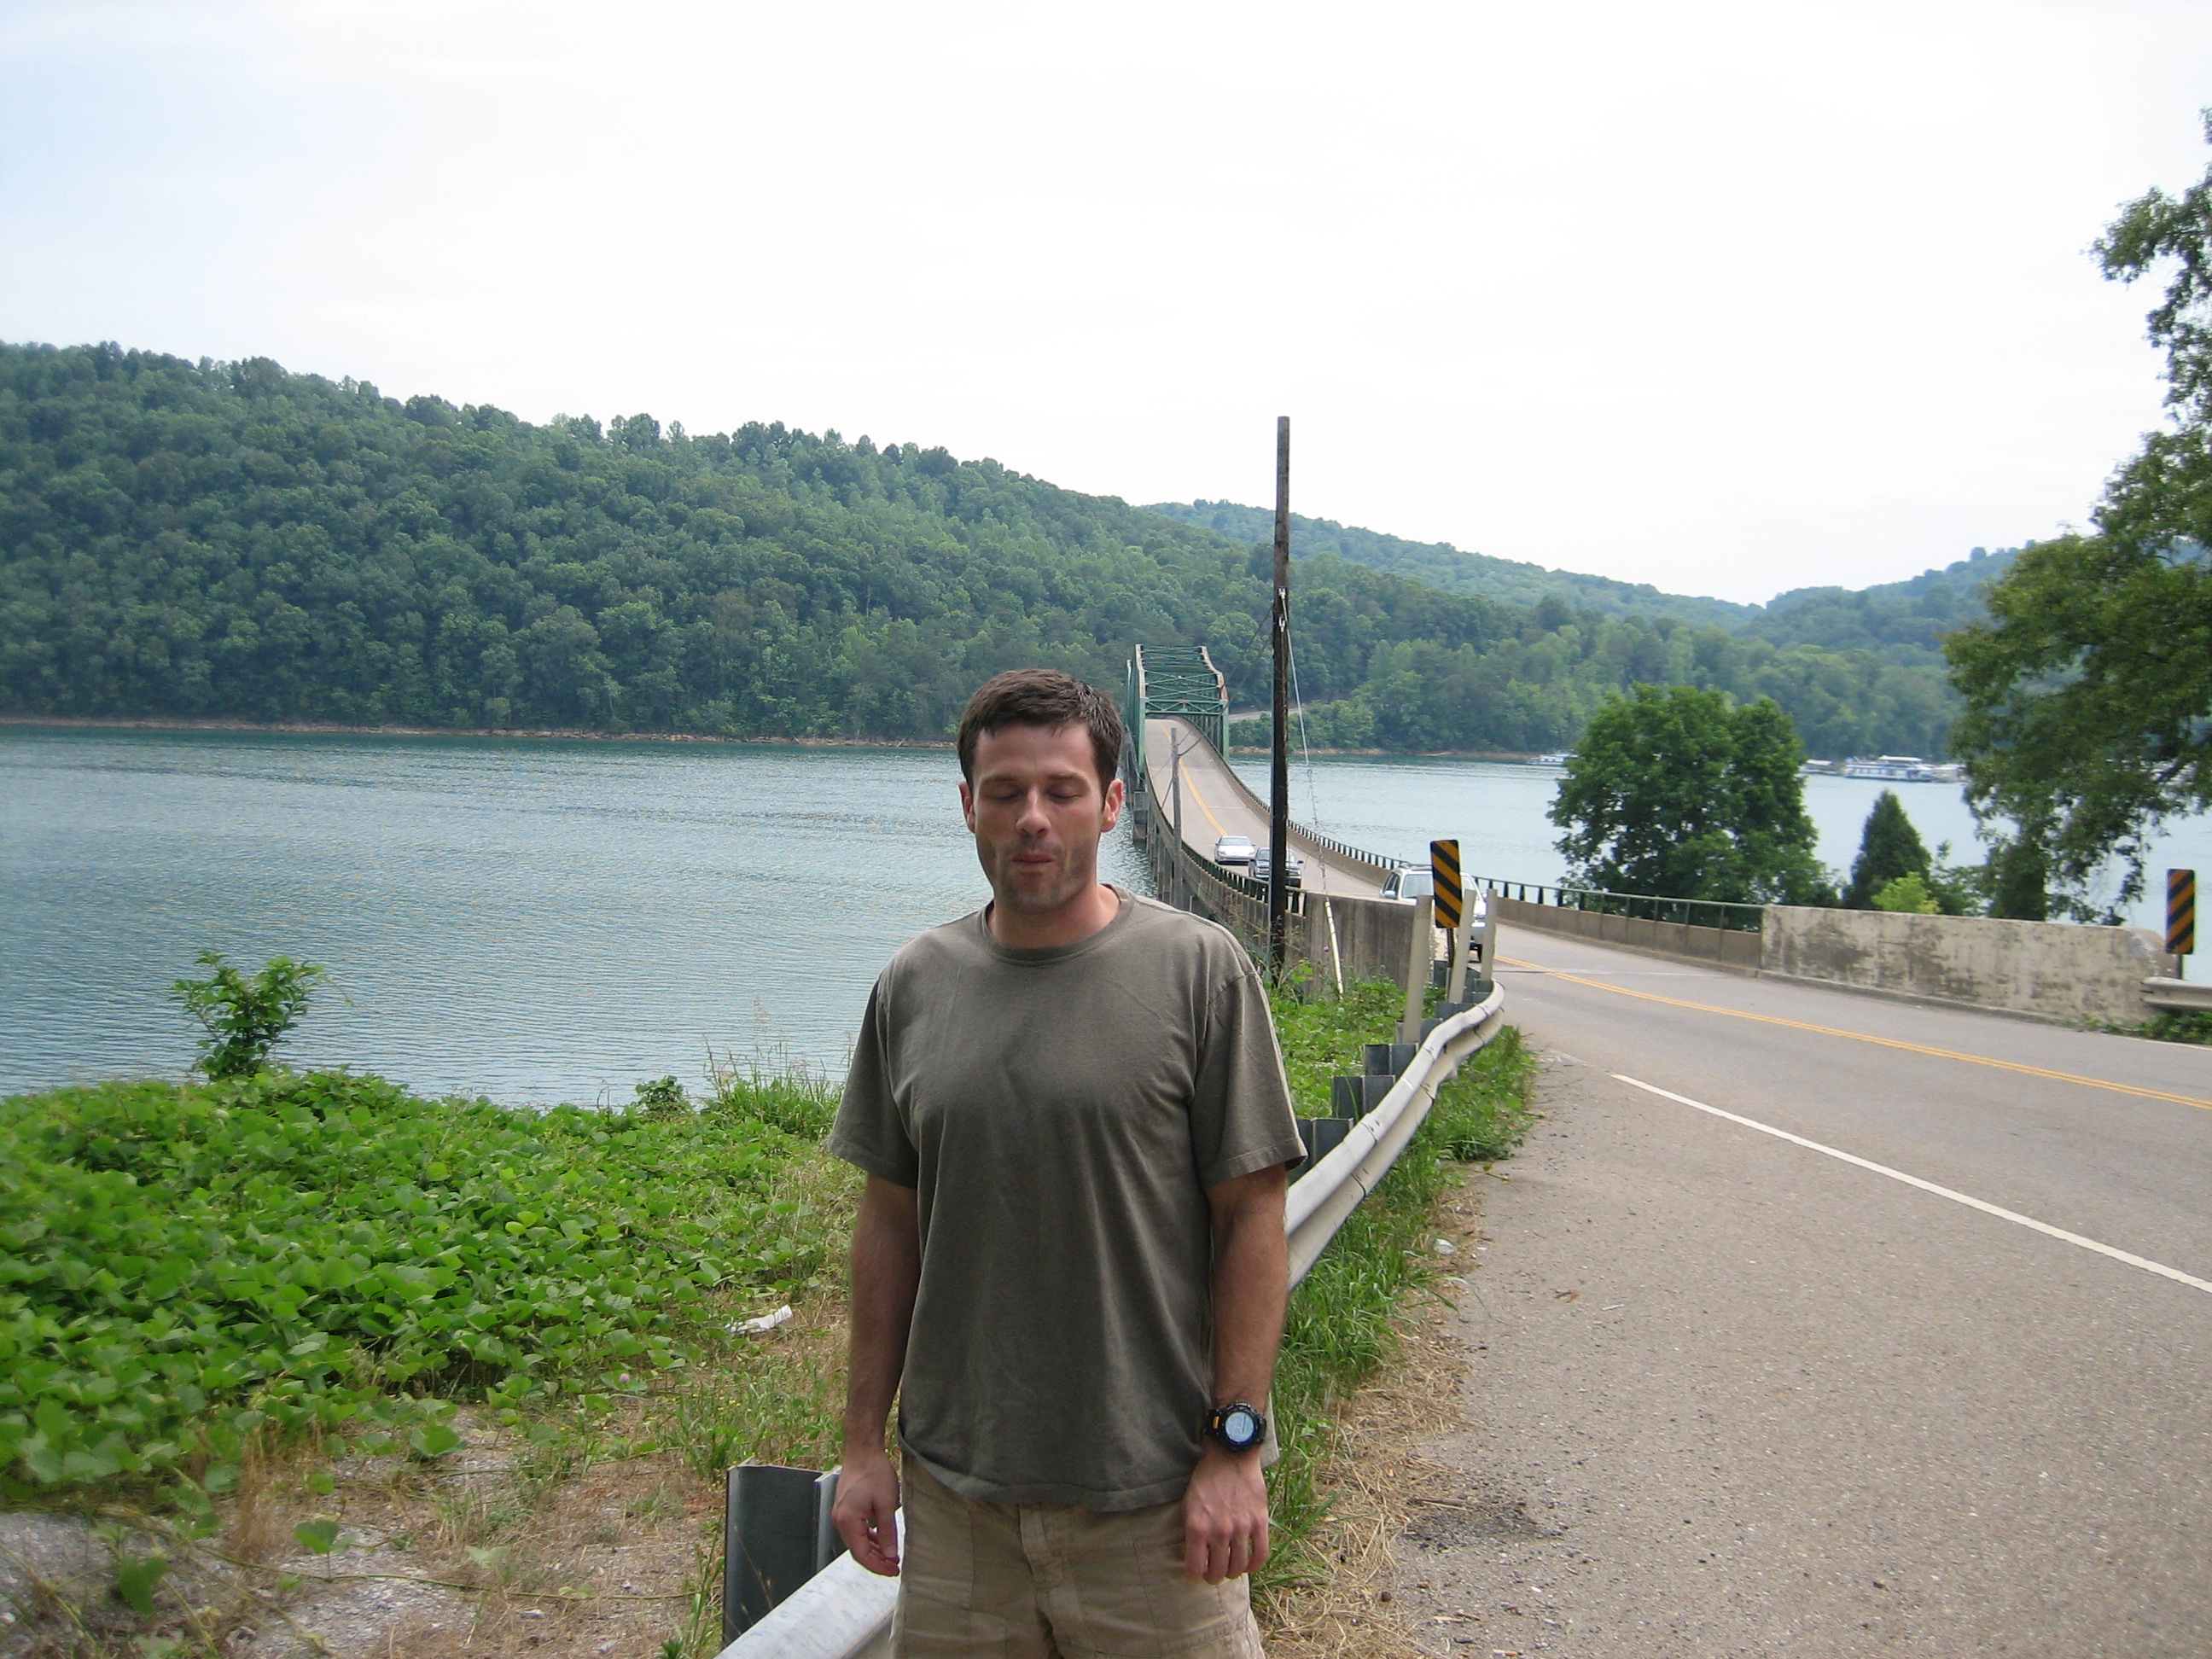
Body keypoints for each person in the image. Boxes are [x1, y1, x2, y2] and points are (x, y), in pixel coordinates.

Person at [828, 667, 1306, 1657]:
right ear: (969, 806)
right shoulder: (913, 986)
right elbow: (888, 1226)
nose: (1032, 819)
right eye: (1005, 792)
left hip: (1155, 1504)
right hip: (957, 1511)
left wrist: (1237, 1446)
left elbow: (1254, 1218)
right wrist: (863, 1444)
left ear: (1114, 802)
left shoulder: (1200, 973)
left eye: (1062, 790)